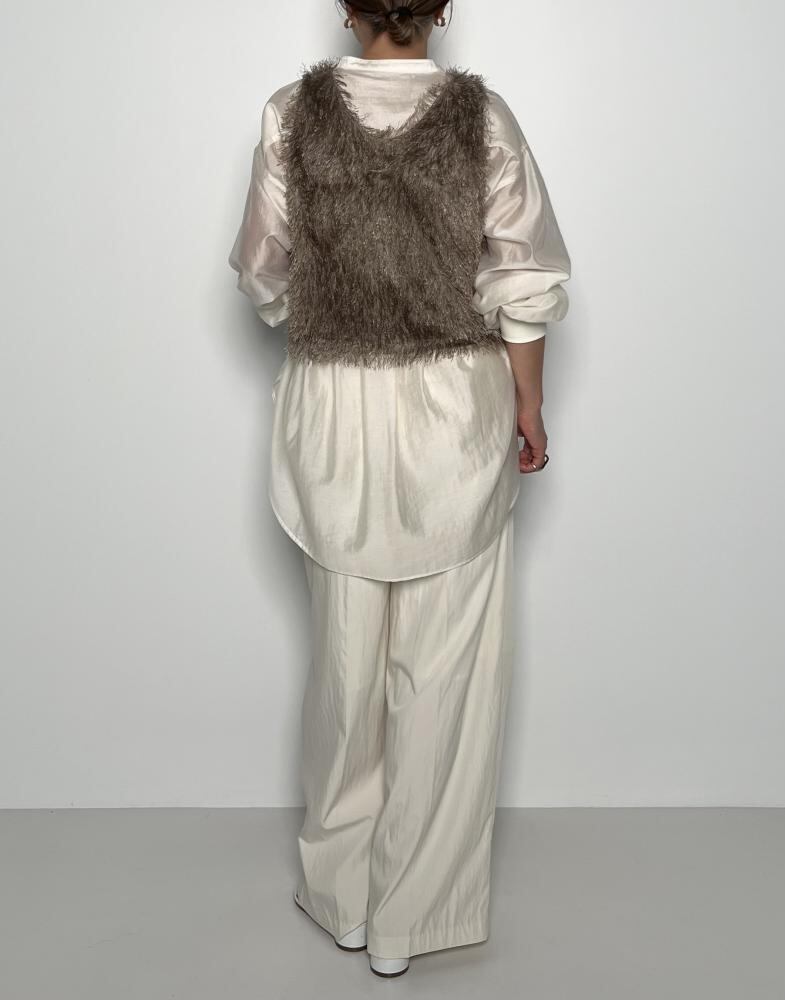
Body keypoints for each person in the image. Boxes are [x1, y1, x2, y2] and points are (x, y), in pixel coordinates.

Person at [227, 0, 571, 979]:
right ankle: (407, 921)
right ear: (442, 6)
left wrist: (330, 308)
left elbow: (263, 277)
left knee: (345, 668)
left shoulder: (288, 114)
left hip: (333, 411)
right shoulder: (484, 116)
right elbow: (525, 280)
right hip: (452, 411)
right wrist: (528, 403)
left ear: (346, 8)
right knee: (444, 673)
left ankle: (342, 897)